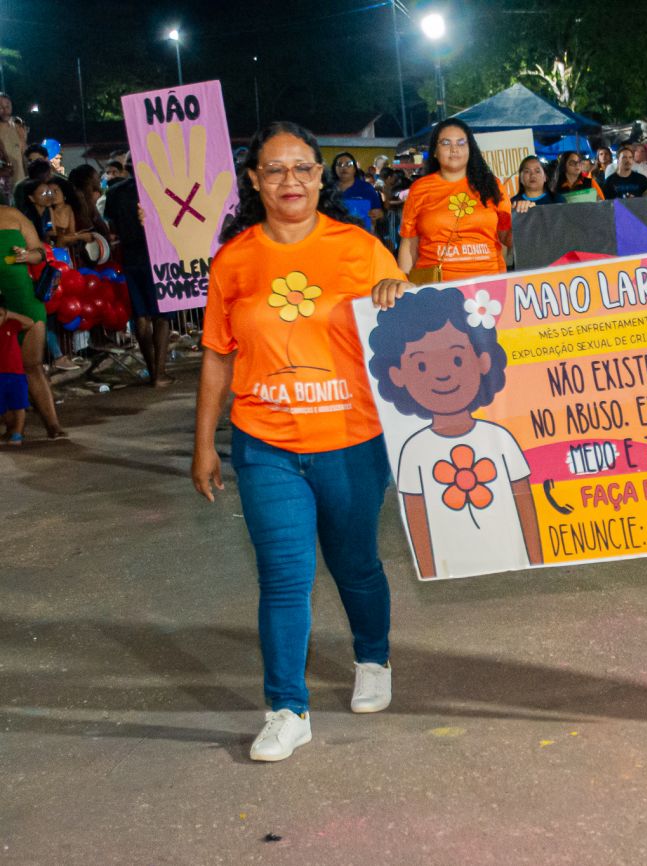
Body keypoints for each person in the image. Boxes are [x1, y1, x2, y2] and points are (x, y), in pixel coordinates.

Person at [192, 121, 407, 763]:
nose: (291, 180)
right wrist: (204, 443)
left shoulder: (360, 247)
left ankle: (373, 658)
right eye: (275, 169)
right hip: (265, 444)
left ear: (320, 176)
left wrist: (400, 294)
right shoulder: (234, 259)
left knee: (355, 564)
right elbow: (216, 356)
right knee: (284, 576)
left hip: (352, 440)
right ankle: (287, 709)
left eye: (303, 168)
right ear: (254, 180)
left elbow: (412, 326)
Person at [370, 286, 544, 577]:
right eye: (422, 365)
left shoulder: (501, 437)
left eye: (457, 359)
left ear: (483, 360)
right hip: (448, 562)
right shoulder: (413, 450)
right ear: (396, 375)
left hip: (507, 553)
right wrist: (428, 570)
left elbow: (523, 498)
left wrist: (537, 560)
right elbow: (416, 514)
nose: (443, 374)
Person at [398, 119, 512, 285]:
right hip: (436, 289)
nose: (454, 149)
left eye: (461, 143)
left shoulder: (492, 185)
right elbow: (409, 243)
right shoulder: (419, 189)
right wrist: (403, 284)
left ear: (470, 149)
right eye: (446, 143)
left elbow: (507, 237)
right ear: (435, 151)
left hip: (489, 287)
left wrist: (527, 216)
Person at [105, 154, 173, 385]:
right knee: (162, 314)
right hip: (157, 255)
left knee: (141, 315)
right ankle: (160, 373)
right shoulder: (160, 188)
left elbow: (112, 226)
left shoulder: (115, 192)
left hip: (129, 256)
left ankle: (153, 371)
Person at [0, 204, 66, 438]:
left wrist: (28, 256)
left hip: (24, 299)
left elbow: (40, 252)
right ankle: (14, 428)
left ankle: (53, 426)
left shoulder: (13, 214)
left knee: (32, 365)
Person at [0, 303, 33, 444]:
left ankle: (17, 434)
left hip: (16, 374)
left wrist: (10, 314)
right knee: (3, 408)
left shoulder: (10, 325)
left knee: (19, 405)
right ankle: (11, 430)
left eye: (0, 315)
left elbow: (30, 323)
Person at [332, 152, 384, 233]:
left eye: (348, 164)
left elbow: (379, 213)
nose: (344, 167)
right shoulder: (328, 189)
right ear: (334, 169)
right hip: (334, 234)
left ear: (354, 169)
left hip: (360, 234)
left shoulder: (366, 188)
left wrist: (377, 214)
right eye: (339, 164)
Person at [0, 93, 28, 206]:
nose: (5, 110)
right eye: (0, 107)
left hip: (21, 184)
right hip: (5, 188)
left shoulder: (18, 126)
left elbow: (24, 154)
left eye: (7, 106)